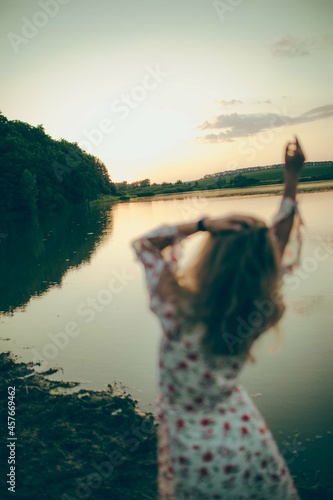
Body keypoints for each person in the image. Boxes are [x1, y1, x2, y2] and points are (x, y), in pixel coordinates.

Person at [132, 137, 305, 499]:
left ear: (213, 257)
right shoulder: (258, 309)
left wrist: (202, 223)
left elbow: (145, 245)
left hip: (194, 446)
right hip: (242, 427)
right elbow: (277, 246)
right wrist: (292, 179)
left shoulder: (178, 308)